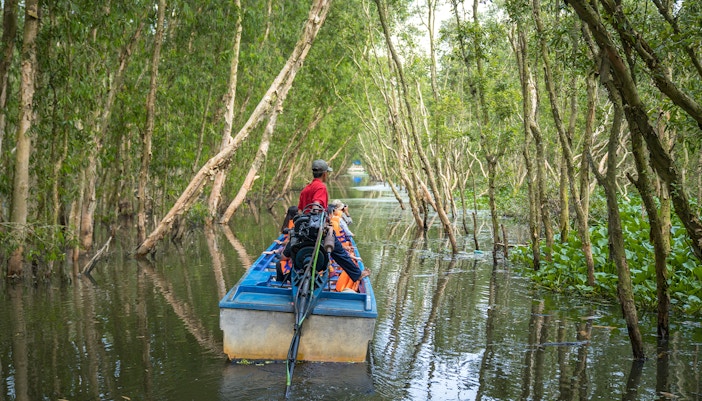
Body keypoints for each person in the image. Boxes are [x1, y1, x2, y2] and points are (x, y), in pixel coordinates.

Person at [297, 159, 370, 283]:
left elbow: (300, 211)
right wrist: (318, 218)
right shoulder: (320, 187)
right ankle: (357, 274)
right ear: (325, 174)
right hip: (317, 229)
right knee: (338, 250)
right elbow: (316, 205)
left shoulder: (306, 189)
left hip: (304, 229)